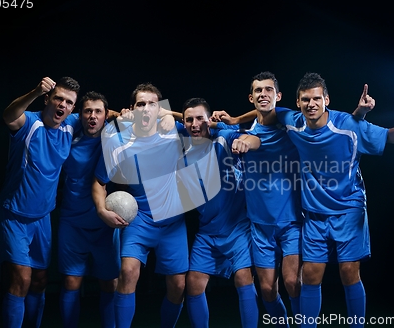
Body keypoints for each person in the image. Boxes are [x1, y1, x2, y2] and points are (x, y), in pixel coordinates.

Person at [273, 72, 394, 328]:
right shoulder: (292, 122)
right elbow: (267, 113)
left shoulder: (347, 125)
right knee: (311, 275)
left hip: (349, 207)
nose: (311, 104)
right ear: (298, 102)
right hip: (314, 213)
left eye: (316, 99)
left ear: (326, 99)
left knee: (349, 272)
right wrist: (236, 120)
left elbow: (385, 135)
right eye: (305, 99)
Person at [92, 83, 186, 328]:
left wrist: (170, 115)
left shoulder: (173, 130)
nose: (146, 109)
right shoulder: (118, 141)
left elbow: (201, 121)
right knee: (128, 273)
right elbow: (99, 181)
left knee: (178, 286)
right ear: (132, 109)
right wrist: (102, 211)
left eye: (152, 104)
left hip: (172, 221)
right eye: (140, 104)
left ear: (159, 108)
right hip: (140, 219)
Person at [213, 72, 303, 327]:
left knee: (293, 282)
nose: (263, 94)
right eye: (258, 91)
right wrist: (234, 125)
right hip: (260, 225)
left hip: (291, 221)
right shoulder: (244, 129)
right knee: (267, 291)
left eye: (268, 90)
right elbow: (250, 134)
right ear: (251, 97)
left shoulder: (289, 122)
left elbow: (255, 140)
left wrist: (245, 142)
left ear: (278, 96)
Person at [0, 76, 81, 328]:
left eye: (69, 102)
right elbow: (9, 115)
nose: (63, 105)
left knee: (40, 280)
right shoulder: (29, 122)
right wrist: (33, 91)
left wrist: (134, 113)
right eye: (58, 98)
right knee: (21, 279)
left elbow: (101, 112)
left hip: (42, 217)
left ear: (73, 108)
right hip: (13, 215)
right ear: (48, 99)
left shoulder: (71, 124)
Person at [177, 97, 260, 328]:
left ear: (210, 120)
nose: (195, 124)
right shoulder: (181, 153)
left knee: (243, 278)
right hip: (207, 230)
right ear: (183, 123)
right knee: (193, 283)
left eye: (200, 118)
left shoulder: (224, 137)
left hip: (237, 226)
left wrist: (245, 142)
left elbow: (253, 138)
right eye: (189, 119)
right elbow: (162, 117)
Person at [57, 91, 120, 328]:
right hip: (72, 222)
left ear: (106, 116)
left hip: (105, 223)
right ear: (79, 114)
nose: (92, 116)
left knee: (109, 283)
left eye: (98, 112)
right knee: (71, 282)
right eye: (87, 111)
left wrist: (116, 114)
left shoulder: (113, 137)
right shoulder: (67, 134)